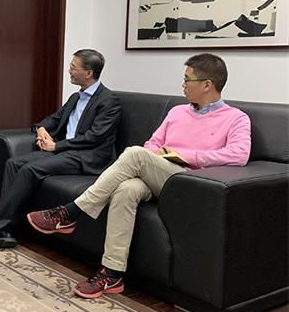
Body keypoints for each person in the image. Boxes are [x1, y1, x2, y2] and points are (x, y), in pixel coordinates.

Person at [26, 53, 251, 299]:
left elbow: (239, 154)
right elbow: (152, 143)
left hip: (190, 181)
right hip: (159, 172)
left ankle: (70, 212)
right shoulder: (177, 112)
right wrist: (157, 154)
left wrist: (184, 155)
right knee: (126, 190)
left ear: (207, 85)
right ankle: (112, 274)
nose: (183, 85)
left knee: (134, 154)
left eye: (187, 79)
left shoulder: (236, 118)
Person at [0, 49, 121, 249]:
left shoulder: (109, 101)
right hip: (66, 152)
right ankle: (5, 230)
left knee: (30, 169)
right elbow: (53, 119)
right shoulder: (76, 97)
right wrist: (41, 129)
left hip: (87, 157)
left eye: (73, 67)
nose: (69, 71)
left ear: (89, 73)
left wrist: (56, 145)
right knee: (13, 163)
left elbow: (95, 136)